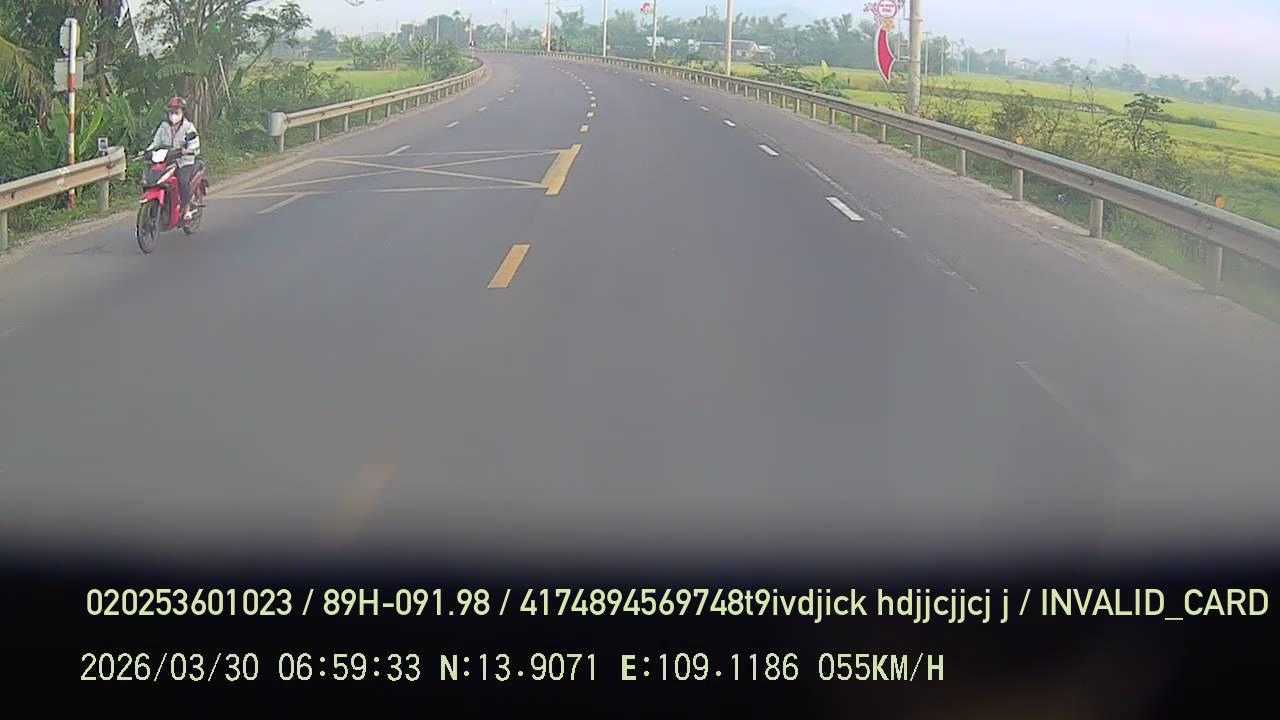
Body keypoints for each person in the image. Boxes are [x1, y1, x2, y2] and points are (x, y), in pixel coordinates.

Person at [147, 96, 201, 221]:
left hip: (184, 162)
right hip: (167, 160)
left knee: (183, 181)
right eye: (171, 112)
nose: (173, 115)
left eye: (177, 112)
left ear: (183, 113)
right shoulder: (163, 126)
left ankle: (186, 209)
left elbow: (195, 145)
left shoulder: (188, 127)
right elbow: (156, 142)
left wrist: (188, 151)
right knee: (154, 177)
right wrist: (148, 151)